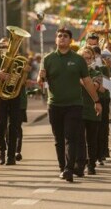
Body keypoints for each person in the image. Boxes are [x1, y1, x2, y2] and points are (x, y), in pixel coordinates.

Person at [38, 27, 102, 182]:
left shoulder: (78, 59)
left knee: (70, 137)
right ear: (56, 39)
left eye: (65, 36)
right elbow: (41, 83)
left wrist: (96, 101)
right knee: (58, 139)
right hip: (54, 105)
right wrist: (41, 78)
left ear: (70, 40)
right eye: (59, 36)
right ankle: (62, 167)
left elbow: (87, 82)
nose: (62, 38)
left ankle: (68, 168)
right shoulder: (47, 59)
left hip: (74, 105)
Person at [0, 37, 29, 166]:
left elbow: (24, 81)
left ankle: (11, 155)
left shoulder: (20, 60)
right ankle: (2, 151)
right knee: (1, 125)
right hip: (1, 95)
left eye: (10, 44)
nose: (9, 47)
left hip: (15, 96)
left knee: (13, 126)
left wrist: (23, 73)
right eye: (5, 45)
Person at [78, 47, 102, 175]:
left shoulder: (96, 73)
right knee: (79, 139)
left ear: (92, 59)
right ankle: (81, 164)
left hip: (92, 110)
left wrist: (82, 80)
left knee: (92, 139)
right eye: (83, 58)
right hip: (78, 109)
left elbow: (94, 86)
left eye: (89, 58)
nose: (86, 61)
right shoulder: (74, 72)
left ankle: (92, 164)